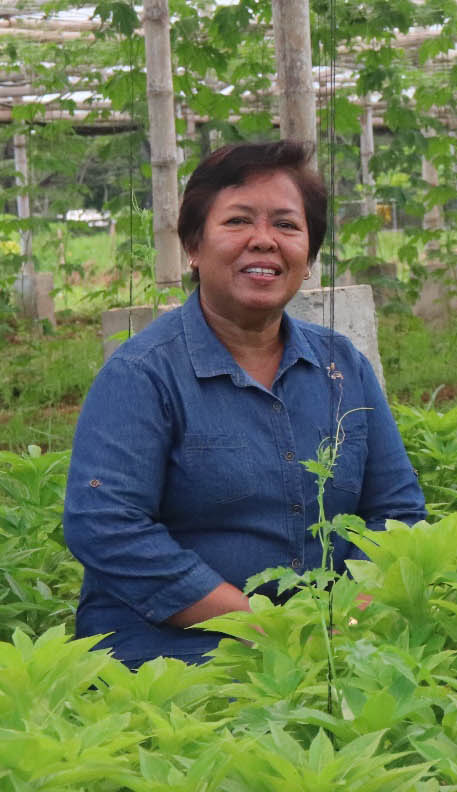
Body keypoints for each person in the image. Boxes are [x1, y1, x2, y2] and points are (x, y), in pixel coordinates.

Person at [63, 140, 427, 667]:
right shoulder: (143, 374)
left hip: (338, 641)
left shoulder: (341, 365)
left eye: (286, 225)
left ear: (309, 256)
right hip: (174, 653)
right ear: (193, 245)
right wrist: (266, 630)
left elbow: (398, 514)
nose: (264, 241)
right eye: (237, 222)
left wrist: (347, 622)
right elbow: (108, 528)